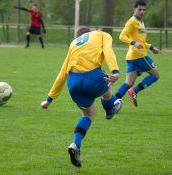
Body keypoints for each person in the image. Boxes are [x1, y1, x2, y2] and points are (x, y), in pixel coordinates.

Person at [41, 27, 123, 167]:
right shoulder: (101, 34)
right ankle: (110, 110)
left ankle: (75, 145)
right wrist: (114, 70)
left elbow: (62, 74)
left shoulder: (73, 45)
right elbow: (108, 51)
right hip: (93, 77)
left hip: (73, 83)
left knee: (88, 114)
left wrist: (49, 99)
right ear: (90, 32)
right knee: (107, 85)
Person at [115, 0, 160, 107]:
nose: (142, 11)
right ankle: (134, 91)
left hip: (132, 57)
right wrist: (134, 43)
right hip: (139, 56)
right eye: (139, 9)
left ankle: (112, 102)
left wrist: (152, 47)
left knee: (128, 83)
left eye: (144, 10)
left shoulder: (141, 22)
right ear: (134, 9)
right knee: (155, 75)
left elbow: (142, 41)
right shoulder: (132, 22)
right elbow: (122, 36)